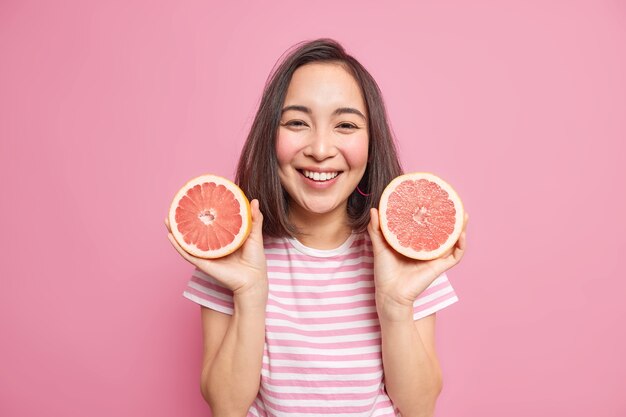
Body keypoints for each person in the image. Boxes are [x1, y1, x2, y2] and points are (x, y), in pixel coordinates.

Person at [166, 38, 469, 417]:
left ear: (372, 143)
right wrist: (250, 293)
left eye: (345, 124)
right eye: (297, 122)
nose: (321, 148)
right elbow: (226, 407)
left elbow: (419, 408)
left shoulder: (405, 250)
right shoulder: (231, 250)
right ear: (268, 136)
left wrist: (395, 305)